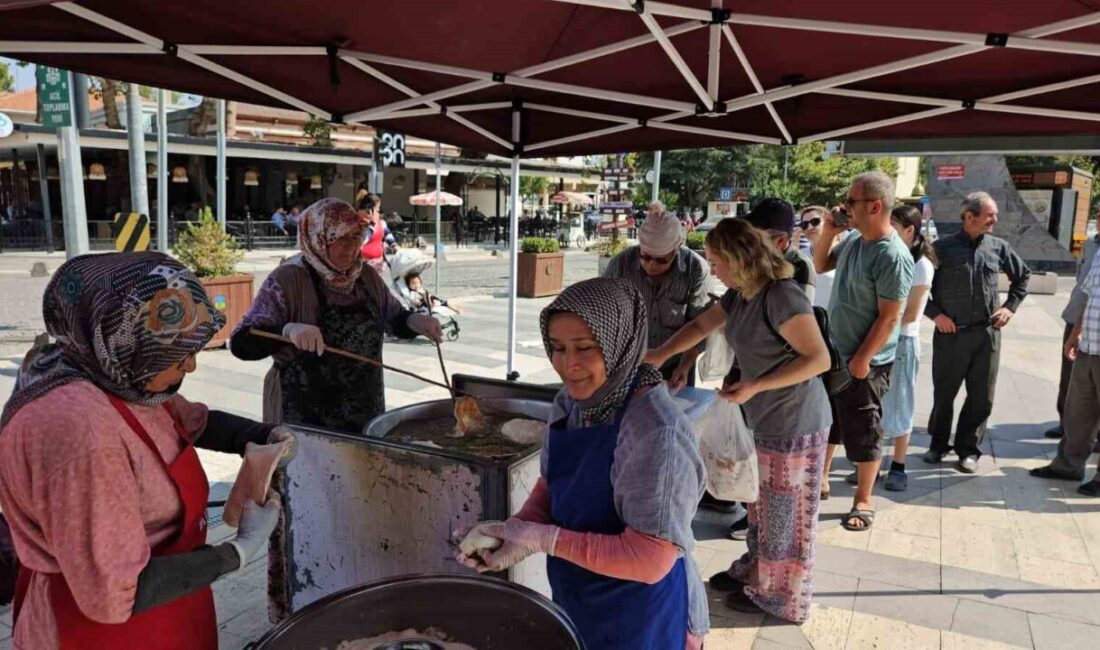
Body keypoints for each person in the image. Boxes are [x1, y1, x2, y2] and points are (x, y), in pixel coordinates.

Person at [0, 253, 294, 649]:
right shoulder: (83, 434)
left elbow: (192, 420)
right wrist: (238, 551)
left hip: (172, 603)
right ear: (121, 337)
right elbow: (116, 591)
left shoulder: (109, 370)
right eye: (177, 354)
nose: (190, 367)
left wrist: (259, 434)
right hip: (103, 628)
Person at [458, 278, 708, 649]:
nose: (568, 364)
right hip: (581, 595)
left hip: (642, 614)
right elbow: (553, 482)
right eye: (557, 348)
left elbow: (649, 559)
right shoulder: (572, 402)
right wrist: (517, 531)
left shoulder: (656, 432)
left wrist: (541, 538)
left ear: (618, 342)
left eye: (585, 347)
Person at [228, 198, 442, 620]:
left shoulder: (365, 277)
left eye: (357, 237)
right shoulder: (289, 279)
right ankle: (298, 606)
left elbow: (393, 318)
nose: (351, 248)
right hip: (304, 417)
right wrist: (287, 329)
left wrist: (418, 323)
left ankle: (346, 589)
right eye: (340, 239)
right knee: (306, 507)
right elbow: (242, 341)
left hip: (362, 410)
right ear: (317, 237)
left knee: (354, 501)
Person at [646, 218, 832, 622]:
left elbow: (819, 359)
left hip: (796, 421)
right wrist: (661, 354)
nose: (712, 270)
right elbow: (700, 325)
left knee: (787, 513)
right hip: (761, 418)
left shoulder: (782, 296)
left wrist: (755, 386)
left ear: (739, 258)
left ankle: (783, 596)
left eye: (716, 261)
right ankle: (757, 568)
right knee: (759, 504)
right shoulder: (741, 294)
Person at [813, 171, 914, 530]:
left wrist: (862, 359)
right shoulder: (856, 240)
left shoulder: (892, 255)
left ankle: (863, 500)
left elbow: (890, 318)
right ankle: (820, 480)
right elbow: (821, 263)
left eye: (850, 201)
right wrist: (828, 231)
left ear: (874, 206)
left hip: (866, 362)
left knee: (864, 429)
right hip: (837, 351)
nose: (844, 206)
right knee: (832, 422)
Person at [922, 192, 1030, 473]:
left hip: (987, 335)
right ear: (969, 216)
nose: (995, 220)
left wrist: (1010, 308)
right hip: (950, 335)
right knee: (945, 392)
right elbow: (917, 286)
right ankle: (938, 444)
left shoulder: (999, 247)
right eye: (989, 215)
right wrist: (936, 314)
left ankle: (968, 449)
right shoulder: (940, 248)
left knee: (981, 395)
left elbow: (1023, 276)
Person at [603, 210, 710, 389]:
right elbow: (605, 319)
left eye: (662, 260)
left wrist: (684, 367)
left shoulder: (696, 270)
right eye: (645, 257)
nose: (651, 265)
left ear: (677, 249)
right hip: (628, 366)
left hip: (677, 366)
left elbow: (700, 326)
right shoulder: (621, 265)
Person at [873, 205, 937, 492]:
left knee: (900, 405)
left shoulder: (921, 265)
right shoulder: (892, 255)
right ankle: (871, 464)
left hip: (902, 341)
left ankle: (898, 465)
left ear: (910, 230)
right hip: (882, 338)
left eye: (895, 228)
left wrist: (881, 323)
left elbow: (910, 314)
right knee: (876, 407)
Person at [1030, 252, 1100, 494]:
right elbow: (1090, 297)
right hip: (1089, 347)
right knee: (1078, 413)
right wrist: (1075, 333)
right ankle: (1068, 466)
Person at [1046, 233, 1100, 439]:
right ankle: (1066, 424)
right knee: (1069, 377)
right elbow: (1081, 280)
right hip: (1077, 316)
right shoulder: (1089, 244)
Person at [744, 198, 815, 303]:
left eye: (755, 237)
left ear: (780, 241)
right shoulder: (757, 259)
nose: (749, 241)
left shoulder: (800, 267)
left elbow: (800, 315)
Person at [356, 191, 397, 276]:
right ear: (369, 209)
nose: (379, 211)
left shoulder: (380, 221)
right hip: (363, 263)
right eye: (377, 208)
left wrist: (393, 244)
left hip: (378, 263)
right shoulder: (358, 221)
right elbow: (363, 240)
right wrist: (371, 224)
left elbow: (386, 233)